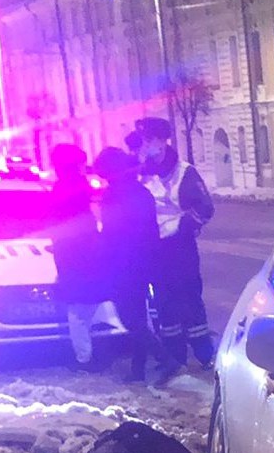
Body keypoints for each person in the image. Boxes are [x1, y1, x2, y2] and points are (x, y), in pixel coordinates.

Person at [135, 117, 215, 369]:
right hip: (154, 249)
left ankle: (203, 352)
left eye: (149, 139)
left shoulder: (184, 172)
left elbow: (205, 207)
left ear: (162, 140)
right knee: (163, 302)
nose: (146, 145)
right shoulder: (144, 173)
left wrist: (183, 228)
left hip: (180, 247)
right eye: (144, 140)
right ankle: (174, 356)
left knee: (189, 297)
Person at [93, 146, 172, 385]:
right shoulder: (140, 191)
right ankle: (138, 369)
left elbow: (112, 233)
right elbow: (149, 230)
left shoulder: (114, 195)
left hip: (123, 263)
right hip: (144, 261)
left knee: (130, 318)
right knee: (138, 315)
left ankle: (164, 357)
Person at [47, 142, 115, 368]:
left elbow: (59, 225)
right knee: (87, 307)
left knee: (77, 311)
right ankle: (93, 352)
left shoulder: (64, 189)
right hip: (86, 255)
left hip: (73, 257)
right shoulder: (80, 187)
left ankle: (84, 359)